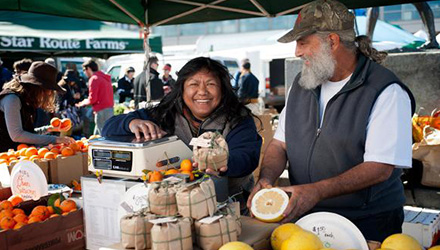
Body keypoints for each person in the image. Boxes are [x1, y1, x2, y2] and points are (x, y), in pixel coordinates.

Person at [247, 0, 415, 242]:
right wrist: (267, 178)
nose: (297, 52)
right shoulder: (302, 84)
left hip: (367, 221)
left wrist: (316, 191)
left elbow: (380, 168)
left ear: (332, 41)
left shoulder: (385, 91)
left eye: (303, 42)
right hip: (307, 219)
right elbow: (279, 144)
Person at [103, 57, 262, 208]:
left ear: (223, 89)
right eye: (193, 84)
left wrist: (222, 162)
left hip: (230, 204)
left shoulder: (237, 119)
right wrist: (131, 123)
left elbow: (247, 157)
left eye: (210, 84)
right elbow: (108, 127)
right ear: (182, 89)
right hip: (173, 206)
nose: (202, 92)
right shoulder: (166, 113)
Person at [0, 61, 74, 152]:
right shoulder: (12, 99)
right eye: (49, 89)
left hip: (17, 154)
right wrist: (55, 139)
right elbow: (17, 135)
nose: (50, 93)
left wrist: (49, 129)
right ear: (38, 87)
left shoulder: (26, 100)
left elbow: (28, 134)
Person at [76, 59, 114, 135]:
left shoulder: (94, 79)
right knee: (100, 133)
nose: (84, 72)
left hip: (101, 110)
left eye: (84, 70)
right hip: (109, 109)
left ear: (89, 69)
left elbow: (93, 99)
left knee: (102, 135)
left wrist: (82, 103)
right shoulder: (104, 77)